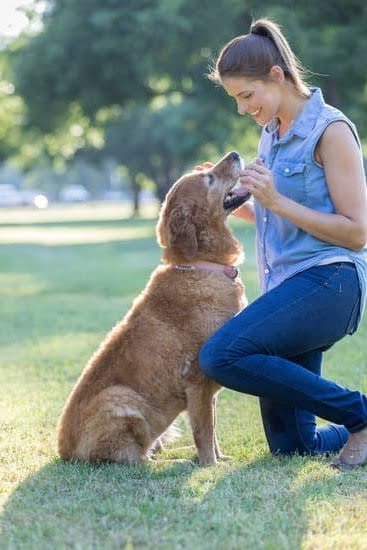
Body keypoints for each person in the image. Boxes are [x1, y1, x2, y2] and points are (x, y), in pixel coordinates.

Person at [197, 18, 367, 468]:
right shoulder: (270, 134)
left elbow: (356, 231)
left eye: (246, 96)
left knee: (221, 354)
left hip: (332, 283)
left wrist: (275, 199)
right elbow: (277, 215)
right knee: (294, 447)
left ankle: (361, 415)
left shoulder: (332, 132)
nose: (241, 109)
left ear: (276, 76)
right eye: (236, 99)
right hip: (289, 289)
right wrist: (228, 203)